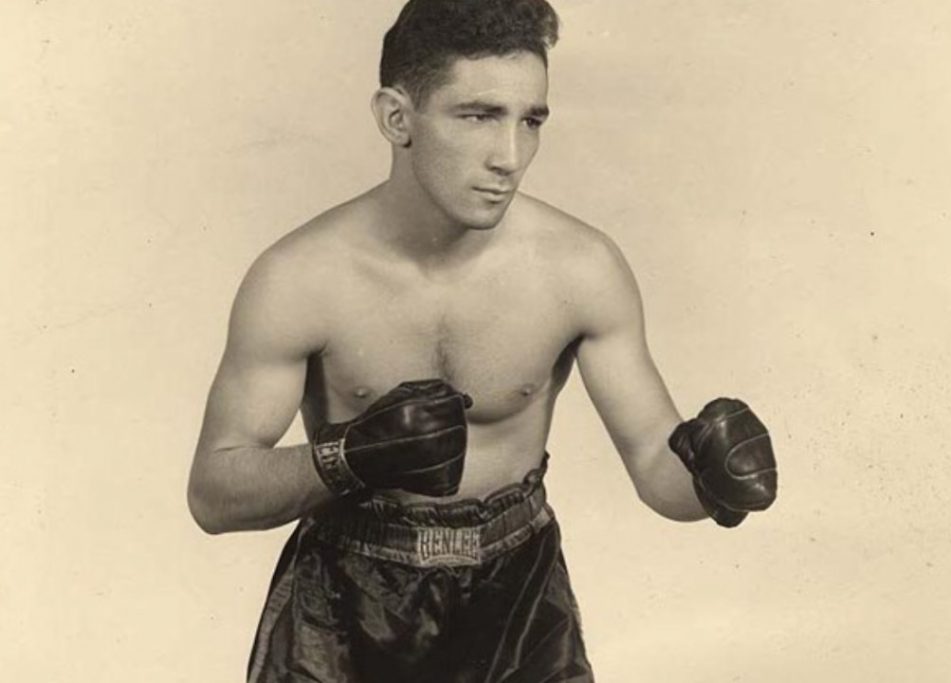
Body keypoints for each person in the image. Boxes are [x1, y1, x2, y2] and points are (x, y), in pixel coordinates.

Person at [187, 0, 778, 681]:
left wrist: (715, 483)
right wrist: (347, 458)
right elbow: (213, 492)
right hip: (344, 605)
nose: (510, 156)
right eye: (478, 116)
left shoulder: (579, 268)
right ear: (396, 117)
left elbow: (656, 464)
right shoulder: (299, 280)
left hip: (516, 597)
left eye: (530, 121)